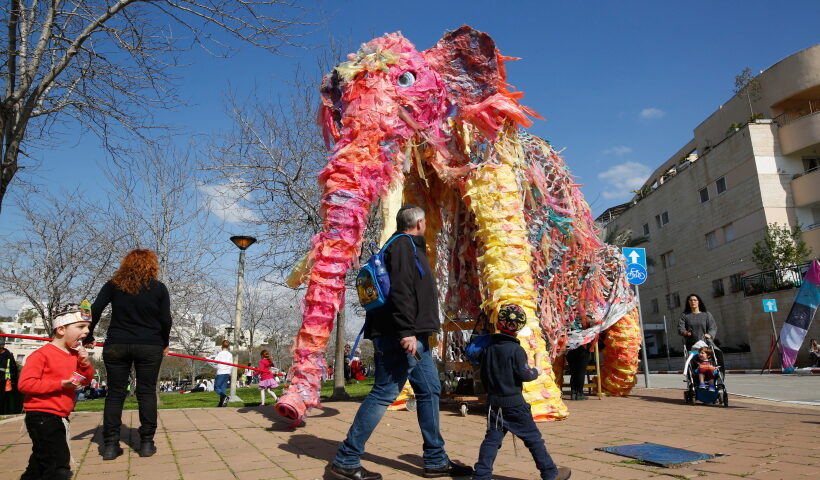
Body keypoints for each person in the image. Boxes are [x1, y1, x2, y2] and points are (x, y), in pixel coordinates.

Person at [328, 205, 472, 480]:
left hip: (412, 335)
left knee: (429, 390)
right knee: (384, 392)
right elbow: (402, 291)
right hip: (402, 336)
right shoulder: (403, 246)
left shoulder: (402, 246)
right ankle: (346, 460)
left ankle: (435, 459)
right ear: (419, 222)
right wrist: (406, 332)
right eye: (426, 222)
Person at [86, 249, 172, 460]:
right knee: (146, 392)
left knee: (115, 393)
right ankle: (146, 443)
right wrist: (164, 342)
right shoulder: (159, 288)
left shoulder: (113, 285)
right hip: (150, 345)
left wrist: (88, 334)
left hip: (117, 344)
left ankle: (110, 445)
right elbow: (166, 319)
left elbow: (94, 309)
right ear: (152, 265)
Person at [472, 304, 571, 480]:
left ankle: (481, 475)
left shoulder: (488, 349)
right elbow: (525, 375)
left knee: (492, 440)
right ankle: (550, 473)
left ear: (498, 323)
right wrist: (537, 369)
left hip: (494, 404)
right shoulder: (516, 350)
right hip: (514, 404)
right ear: (520, 327)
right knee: (533, 439)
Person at [18, 303, 95, 480]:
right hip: (42, 416)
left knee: (39, 464)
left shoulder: (74, 355)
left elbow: (83, 380)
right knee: (58, 467)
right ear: (61, 329)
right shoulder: (41, 355)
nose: (86, 332)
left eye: (88, 327)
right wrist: (60, 384)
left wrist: (85, 364)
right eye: (81, 326)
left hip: (59, 416)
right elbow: (26, 384)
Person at [0, 336, 22, 415]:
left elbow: (13, 370)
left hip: (4, 383)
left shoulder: (8, 356)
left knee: (2, 402)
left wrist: (12, 382)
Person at [211, 340, 233, 407]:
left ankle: (225, 397)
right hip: (227, 373)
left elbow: (215, 361)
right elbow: (231, 364)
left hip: (221, 372)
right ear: (228, 346)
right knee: (223, 388)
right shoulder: (230, 354)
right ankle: (221, 403)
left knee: (216, 388)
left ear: (221, 346)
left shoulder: (220, 353)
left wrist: (211, 359)